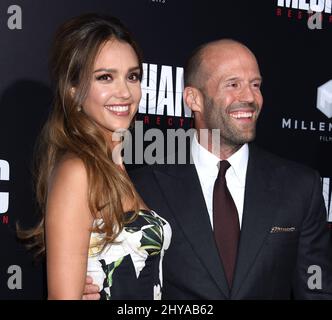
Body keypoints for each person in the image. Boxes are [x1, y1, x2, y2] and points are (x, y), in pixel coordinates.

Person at [84, 39, 332, 299]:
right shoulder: (142, 186)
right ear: (194, 99)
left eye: (255, 85)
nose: (250, 97)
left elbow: (317, 292)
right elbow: (123, 283)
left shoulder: (300, 187)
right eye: (233, 84)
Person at [19, 13, 171, 300]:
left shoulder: (119, 164)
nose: (124, 92)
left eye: (133, 76)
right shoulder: (78, 171)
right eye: (105, 77)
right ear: (74, 90)